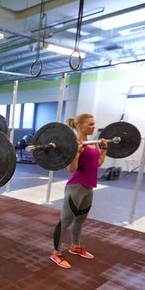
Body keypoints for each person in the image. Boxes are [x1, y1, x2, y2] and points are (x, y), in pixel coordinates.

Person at [51, 114, 107, 269]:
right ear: (80, 126)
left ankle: (75, 246)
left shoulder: (93, 143)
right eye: (90, 124)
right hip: (76, 187)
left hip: (88, 188)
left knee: (80, 220)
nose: (94, 127)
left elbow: (98, 163)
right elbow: (71, 169)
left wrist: (104, 149)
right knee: (65, 222)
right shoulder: (75, 144)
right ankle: (56, 252)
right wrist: (76, 153)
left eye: (94, 124)